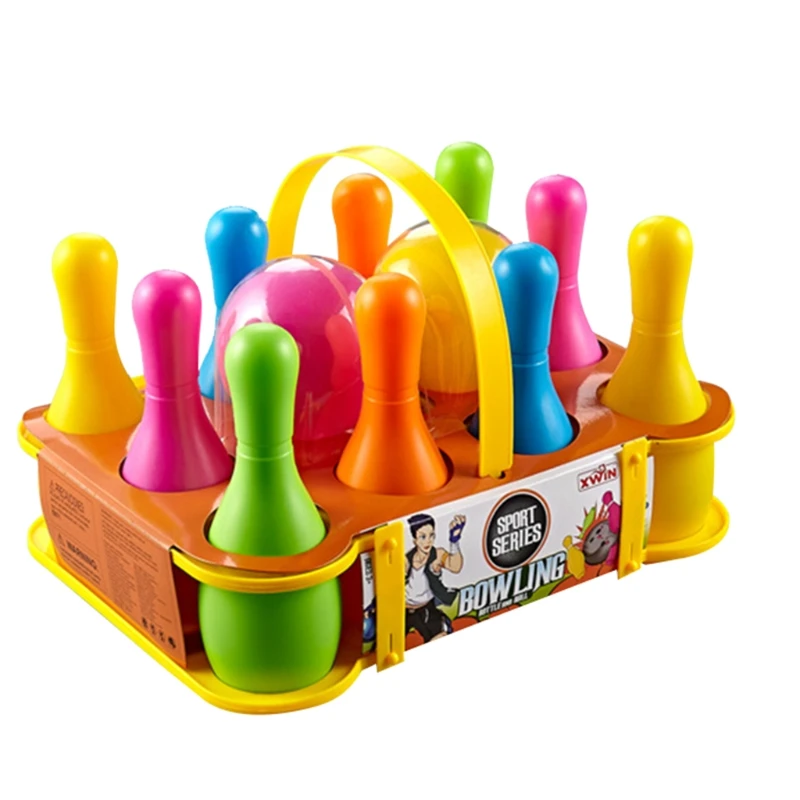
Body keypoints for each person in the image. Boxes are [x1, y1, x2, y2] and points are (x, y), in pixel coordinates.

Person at [405, 512, 466, 643]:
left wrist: (454, 541)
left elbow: (455, 566)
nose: (428, 541)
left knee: (440, 635)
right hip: (403, 610)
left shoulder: (437, 555)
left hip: (425, 608)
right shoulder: (406, 560)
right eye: (423, 537)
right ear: (414, 540)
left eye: (432, 535)